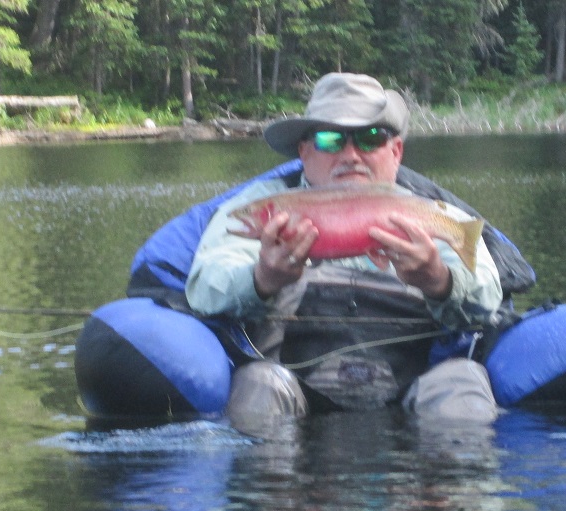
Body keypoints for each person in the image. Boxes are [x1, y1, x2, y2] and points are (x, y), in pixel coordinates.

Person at [185, 72, 504, 430]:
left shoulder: (437, 215)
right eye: (330, 138)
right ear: (304, 152)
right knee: (258, 383)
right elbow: (203, 290)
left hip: (414, 394)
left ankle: (448, 481)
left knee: (463, 380)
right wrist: (261, 280)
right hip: (291, 393)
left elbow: (489, 299)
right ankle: (271, 486)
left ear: (395, 151)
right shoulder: (263, 208)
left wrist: (440, 281)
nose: (351, 155)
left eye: (371, 138)